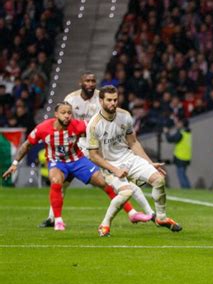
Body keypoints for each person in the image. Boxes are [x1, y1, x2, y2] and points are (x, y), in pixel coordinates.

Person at [39, 72, 151, 227]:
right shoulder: (71, 99)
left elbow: (114, 116)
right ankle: (53, 218)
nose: (90, 84)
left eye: (93, 81)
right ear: (81, 82)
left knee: (115, 179)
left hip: (101, 146)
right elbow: (66, 121)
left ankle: (145, 213)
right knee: (62, 183)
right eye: (87, 81)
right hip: (78, 146)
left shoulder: (102, 97)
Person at [2, 102, 128, 231]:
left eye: (69, 113)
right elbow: (27, 145)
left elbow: (97, 128)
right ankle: (58, 221)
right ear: (56, 114)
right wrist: (15, 164)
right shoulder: (43, 128)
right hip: (57, 162)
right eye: (63, 113)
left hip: (77, 160)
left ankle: (131, 212)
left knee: (103, 182)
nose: (67, 116)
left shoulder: (78, 125)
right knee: (56, 181)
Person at [87, 85, 182, 237]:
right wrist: (115, 170)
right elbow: (93, 156)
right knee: (126, 192)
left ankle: (161, 218)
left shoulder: (125, 115)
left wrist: (149, 163)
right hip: (110, 165)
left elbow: (133, 142)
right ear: (101, 101)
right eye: (109, 100)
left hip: (129, 158)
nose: (113, 103)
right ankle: (104, 225)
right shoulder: (94, 125)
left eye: (115, 100)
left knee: (159, 180)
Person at [164, 118, 192, 189]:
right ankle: (189, 189)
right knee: (183, 174)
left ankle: (186, 189)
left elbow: (170, 139)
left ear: (182, 124)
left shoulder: (181, 133)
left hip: (180, 157)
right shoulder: (187, 132)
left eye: (179, 123)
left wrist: (166, 132)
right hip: (186, 157)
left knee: (181, 175)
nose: (177, 124)